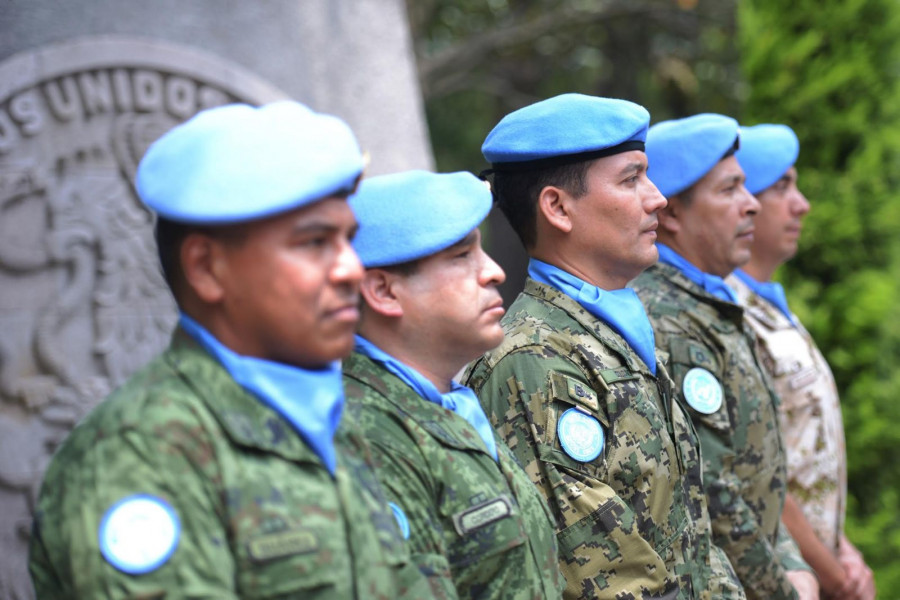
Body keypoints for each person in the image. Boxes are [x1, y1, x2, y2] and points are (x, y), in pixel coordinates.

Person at [28, 101, 430, 599]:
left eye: (347, 239)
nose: (350, 268)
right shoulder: (140, 453)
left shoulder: (323, 421)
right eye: (313, 243)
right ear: (206, 268)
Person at [463, 93, 743, 600]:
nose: (657, 197)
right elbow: (608, 579)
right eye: (631, 179)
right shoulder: (534, 361)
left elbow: (693, 538)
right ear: (557, 208)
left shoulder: (609, 333)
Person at [342, 170, 564, 599]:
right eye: (463, 256)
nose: (494, 272)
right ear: (384, 291)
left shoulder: (442, 406)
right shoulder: (369, 434)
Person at [630, 114, 816, 600]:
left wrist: (796, 564)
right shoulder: (667, 317)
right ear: (671, 214)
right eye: (730, 189)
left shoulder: (709, 301)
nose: (752, 204)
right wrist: (786, 589)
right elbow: (712, 489)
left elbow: (762, 477)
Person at [727, 124, 875, 600]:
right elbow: (759, 471)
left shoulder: (766, 306)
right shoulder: (730, 317)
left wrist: (842, 548)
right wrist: (834, 576)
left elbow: (804, 451)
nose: (802, 203)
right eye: (781, 186)